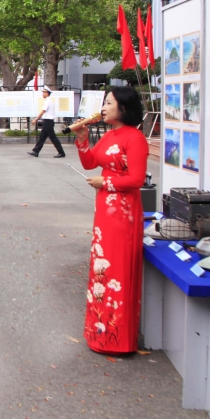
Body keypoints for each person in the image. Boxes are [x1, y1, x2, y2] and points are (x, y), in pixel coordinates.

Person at [72, 86, 149, 355]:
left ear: (124, 108)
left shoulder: (135, 138)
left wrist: (106, 182)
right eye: (104, 103)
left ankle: (119, 339)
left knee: (118, 271)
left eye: (108, 103)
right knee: (103, 271)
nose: (103, 108)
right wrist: (83, 139)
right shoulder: (110, 135)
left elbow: (137, 179)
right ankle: (100, 333)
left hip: (124, 214)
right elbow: (90, 162)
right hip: (105, 212)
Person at [29, 85, 65, 158]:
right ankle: (36, 151)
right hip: (47, 122)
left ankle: (61, 152)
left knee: (53, 138)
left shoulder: (48, 101)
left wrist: (36, 119)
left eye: (44, 92)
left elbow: (43, 111)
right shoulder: (49, 101)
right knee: (42, 137)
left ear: (47, 93)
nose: (43, 94)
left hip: (48, 122)